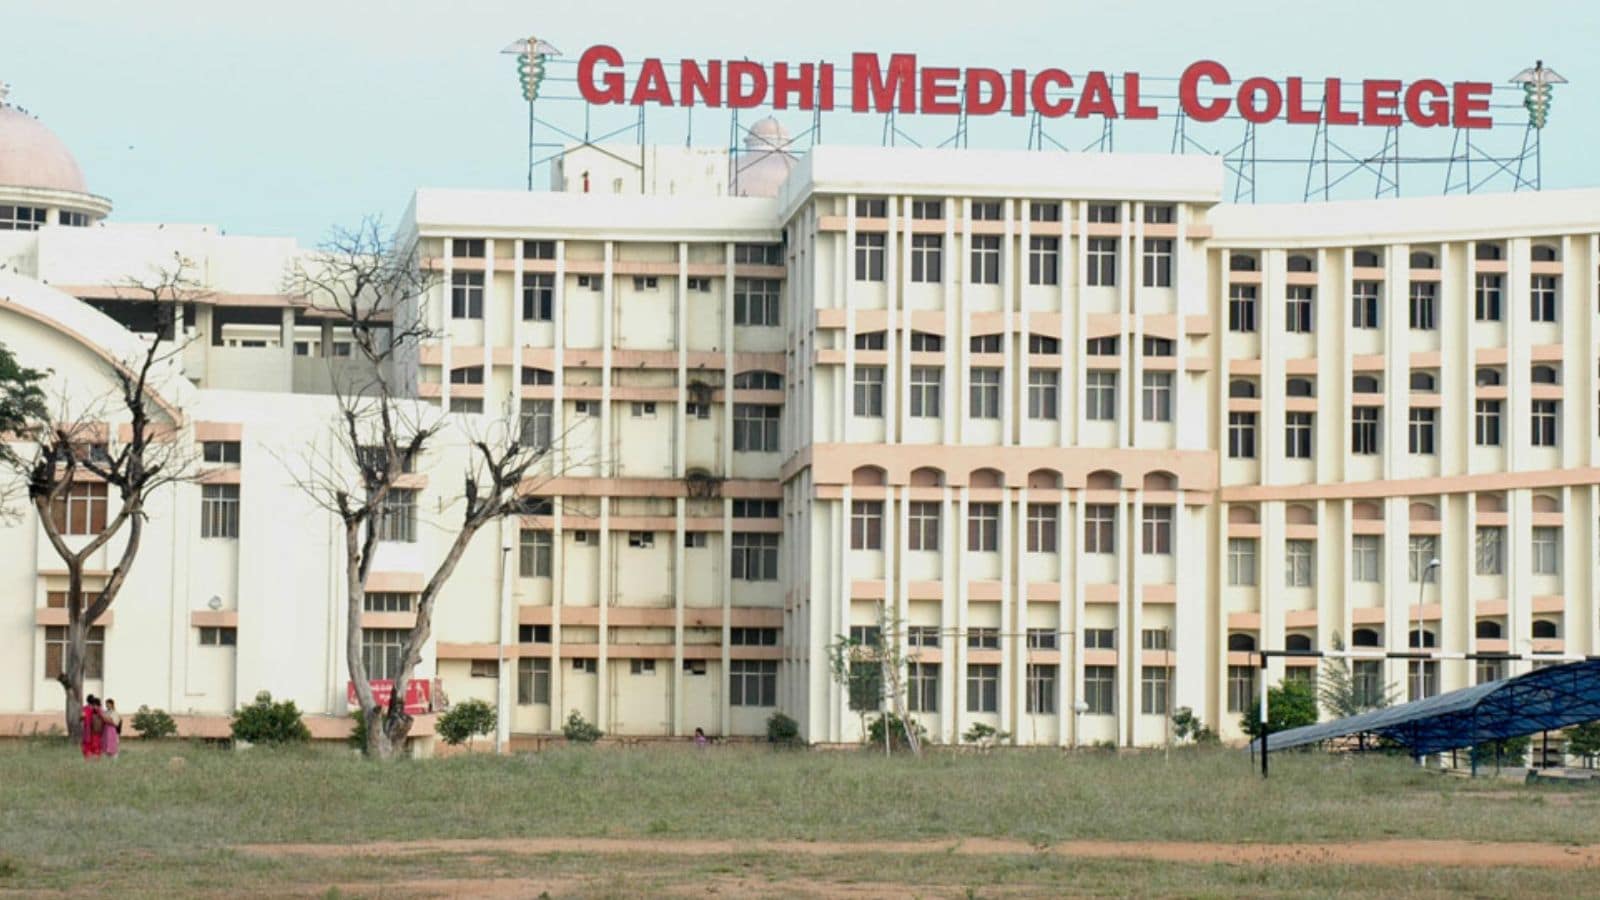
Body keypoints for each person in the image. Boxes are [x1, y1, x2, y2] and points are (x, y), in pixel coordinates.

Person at [80, 695, 103, 760]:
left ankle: (88, 757)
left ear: (87, 700)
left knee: (87, 743)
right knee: (96, 743)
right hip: (96, 729)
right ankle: (96, 757)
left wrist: (81, 719)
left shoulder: (85, 708)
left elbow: (82, 717)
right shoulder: (97, 708)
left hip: (87, 728)